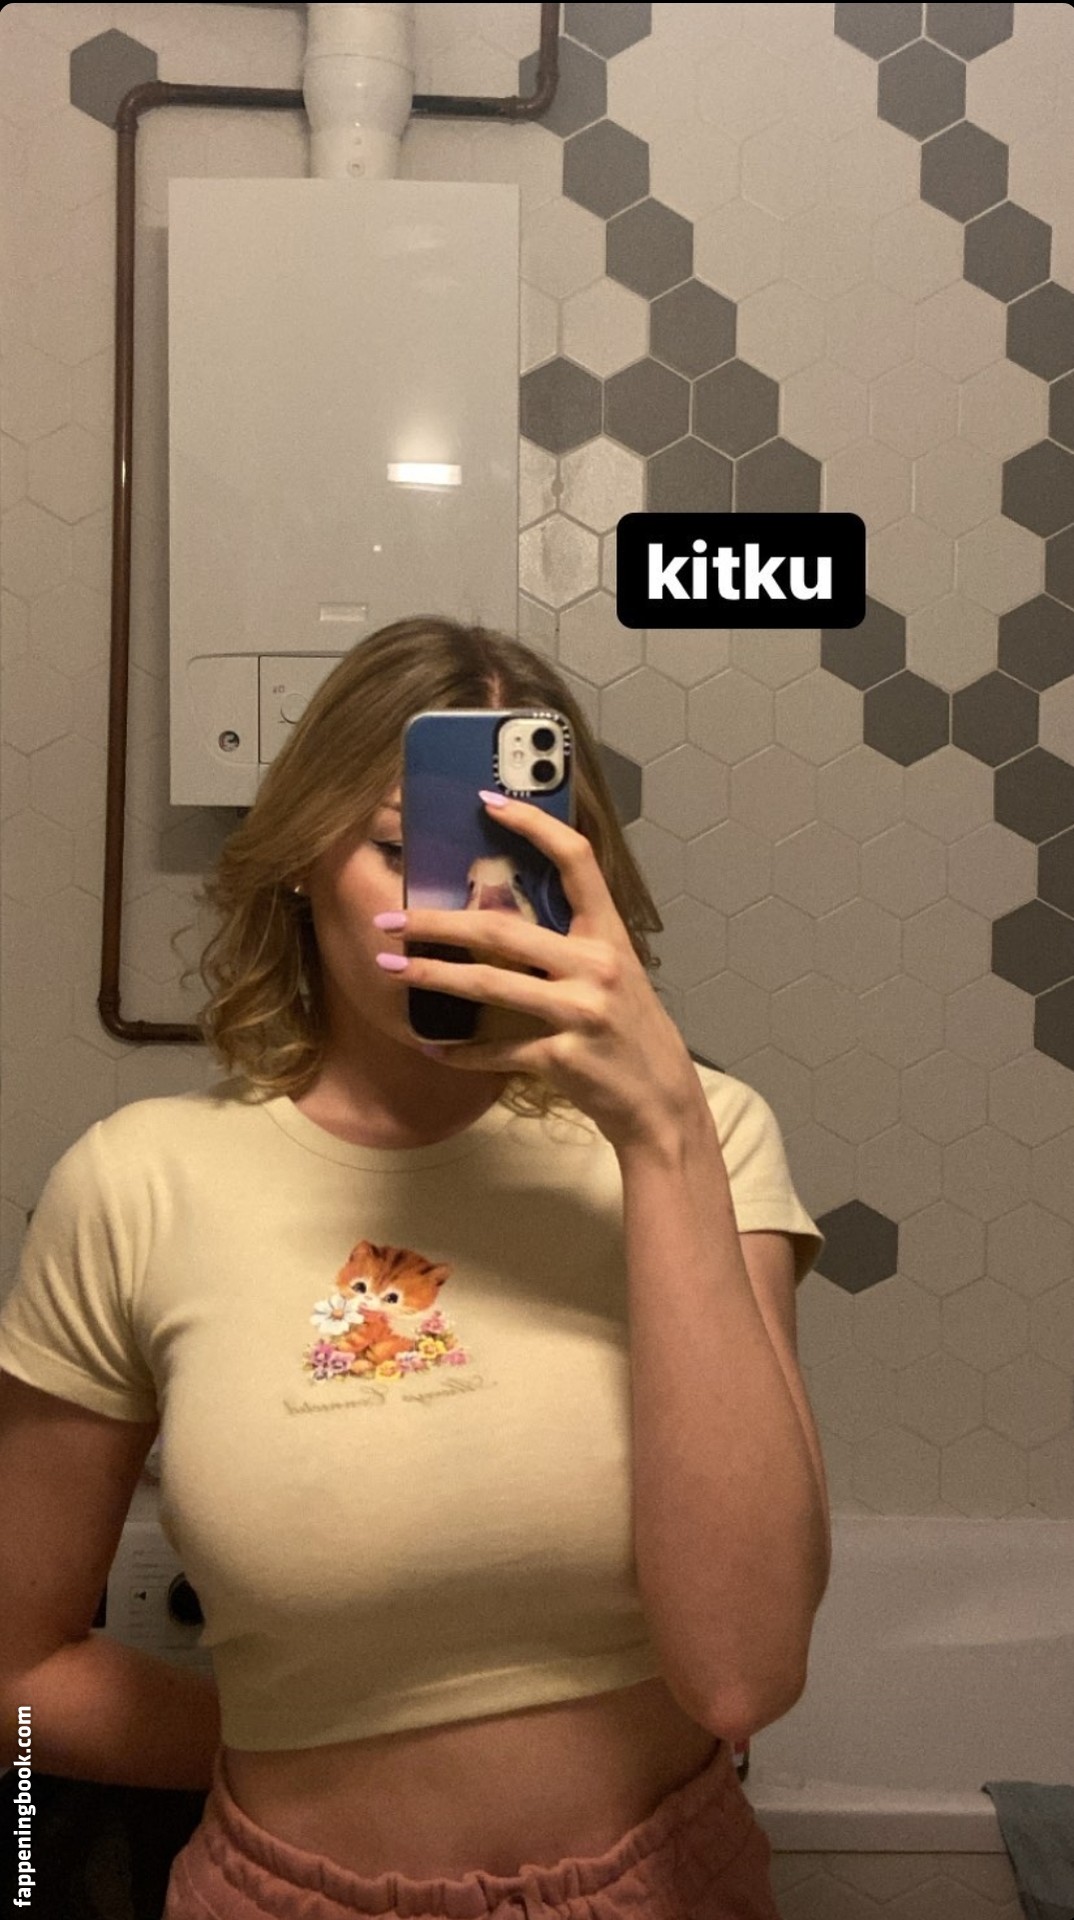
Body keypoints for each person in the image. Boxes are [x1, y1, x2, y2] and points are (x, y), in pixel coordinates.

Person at [0, 617, 831, 1919]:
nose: (472, 902)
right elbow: (18, 1675)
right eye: (410, 848)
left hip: (657, 1887)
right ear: (301, 859)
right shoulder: (136, 1183)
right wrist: (289, 1746)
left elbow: (744, 1677)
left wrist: (661, 1128)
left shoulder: (701, 1139)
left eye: (522, 855)